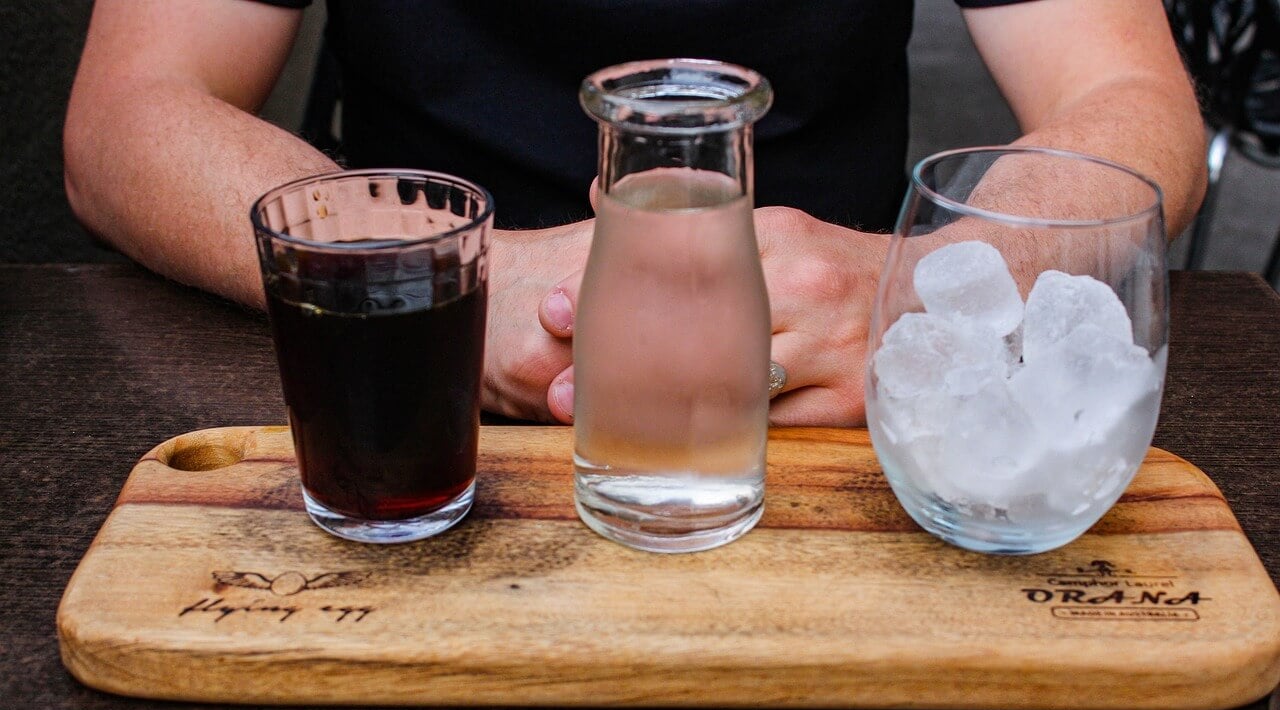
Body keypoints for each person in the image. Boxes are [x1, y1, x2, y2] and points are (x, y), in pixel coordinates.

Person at [64, 0, 1205, 426]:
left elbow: (1128, 95)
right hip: (417, 388)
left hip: (834, 400)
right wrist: (446, 275)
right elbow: (127, 112)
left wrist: (923, 288)